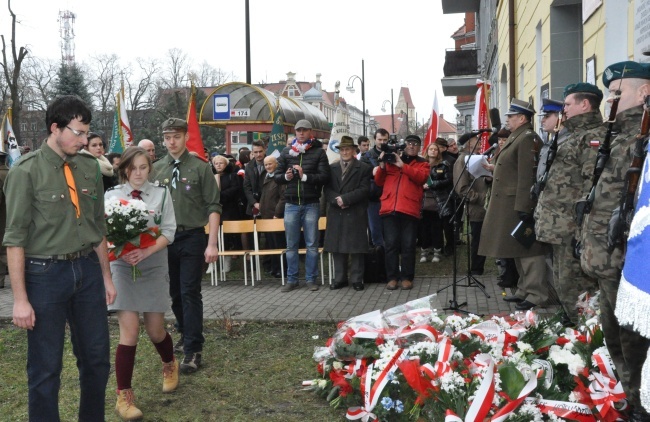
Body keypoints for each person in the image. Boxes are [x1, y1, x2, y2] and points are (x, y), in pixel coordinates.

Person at [3, 95, 116, 420]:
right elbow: (15, 240)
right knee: (45, 367)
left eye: (86, 134)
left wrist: (106, 277)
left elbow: (97, 227)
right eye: (78, 133)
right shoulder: (26, 171)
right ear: (55, 128)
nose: (84, 140)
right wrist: (20, 300)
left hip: (88, 272)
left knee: (96, 360)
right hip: (44, 276)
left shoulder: (88, 167)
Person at [579, 61, 650, 421]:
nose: (610, 99)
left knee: (634, 338)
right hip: (605, 257)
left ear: (645, 93)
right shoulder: (618, 134)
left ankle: (641, 403)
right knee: (614, 334)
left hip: (629, 261)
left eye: (618, 93)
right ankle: (629, 396)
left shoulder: (644, 138)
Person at [106, 147, 178, 420]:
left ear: (150, 169)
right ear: (124, 168)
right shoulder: (111, 196)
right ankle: (123, 396)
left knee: (155, 329)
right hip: (122, 266)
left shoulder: (161, 194)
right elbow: (106, 232)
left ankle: (170, 363)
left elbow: (169, 230)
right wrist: (123, 249)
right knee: (130, 331)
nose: (138, 173)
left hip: (153, 262)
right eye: (133, 168)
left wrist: (146, 251)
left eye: (143, 167)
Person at [152, 117, 221, 374]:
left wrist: (211, 243)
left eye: (177, 137)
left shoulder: (200, 168)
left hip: (192, 237)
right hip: (165, 240)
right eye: (168, 137)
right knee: (175, 293)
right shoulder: (157, 168)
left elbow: (214, 206)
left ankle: (194, 349)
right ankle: (184, 332)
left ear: (185, 137)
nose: (172, 142)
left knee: (190, 291)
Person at [534, 85, 603, 326]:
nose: (564, 109)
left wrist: (580, 231)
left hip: (572, 228)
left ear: (584, 105)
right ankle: (575, 329)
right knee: (564, 286)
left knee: (577, 289)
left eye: (568, 104)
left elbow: (591, 188)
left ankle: (588, 340)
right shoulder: (571, 135)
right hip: (558, 226)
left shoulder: (593, 136)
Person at [478, 99, 552, 311]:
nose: (507, 120)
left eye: (511, 117)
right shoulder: (517, 137)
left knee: (529, 249)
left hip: (517, 203)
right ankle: (523, 289)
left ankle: (536, 294)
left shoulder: (527, 138)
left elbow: (527, 176)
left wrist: (525, 206)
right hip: (508, 203)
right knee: (517, 248)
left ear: (522, 118)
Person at [275, 119, 330, 292]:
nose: (301, 133)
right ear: (295, 132)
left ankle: (311, 279)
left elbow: (325, 177)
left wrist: (304, 176)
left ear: (310, 132)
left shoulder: (319, 152)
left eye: (304, 130)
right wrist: (287, 177)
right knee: (291, 245)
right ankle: (292, 279)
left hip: (311, 203)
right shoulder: (286, 152)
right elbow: (276, 176)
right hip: (291, 203)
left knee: (312, 244)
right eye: (298, 130)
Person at [376, 134, 429, 290]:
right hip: (389, 208)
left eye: (415, 144)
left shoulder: (422, 163)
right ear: (404, 145)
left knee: (408, 245)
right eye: (409, 143)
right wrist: (382, 165)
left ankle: (406, 277)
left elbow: (421, 178)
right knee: (391, 245)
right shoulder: (392, 159)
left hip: (409, 209)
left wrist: (402, 165)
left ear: (419, 147)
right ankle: (392, 277)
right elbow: (379, 181)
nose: (411, 146)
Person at [324, 136, 371, 291]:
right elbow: (327, 189)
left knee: (356, 247)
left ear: (353, 150)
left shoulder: (363, 168)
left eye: (347, 149)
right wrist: (336, 200)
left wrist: (345, 199)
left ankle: (357, 279)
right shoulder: (332, 168)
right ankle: (340, 278)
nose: (344, 152)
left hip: (355, 210)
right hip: (336, 211)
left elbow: (364, 190)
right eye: (342, 149)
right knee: (337, 247)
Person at [454, 133, 488, 275]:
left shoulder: (477, 158)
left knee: (484, 238)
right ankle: (476, 269)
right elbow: (461, 188)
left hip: (486, 207)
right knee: (478, 239)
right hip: (476, 208)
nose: (481, 145)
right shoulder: (462, 160)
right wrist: (481, 198)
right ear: (469, 144)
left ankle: (479, 267)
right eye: (477, 142)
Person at [212, 154, 244, 273]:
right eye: (216, 163)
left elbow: (235, 189)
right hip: (214, 211)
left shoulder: (233, 176)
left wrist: (219, 196)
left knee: (226, 237)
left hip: (229, 210)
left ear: (226, 164)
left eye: (221, 163)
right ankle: (213, 263)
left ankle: (226, 261)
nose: (218, 165)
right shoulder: (210, 176)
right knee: (214, 236)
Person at [422, 142, 454, 260]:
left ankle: (437, 249)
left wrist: (432, 184)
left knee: (438, 226)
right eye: (431, 149)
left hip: (439, 200)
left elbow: (448, 180)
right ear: (427, 151)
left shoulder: (443, 165)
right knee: (425, 226)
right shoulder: (422, 164)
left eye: (435, 149)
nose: (433, 151)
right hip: (424, 199)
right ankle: (425, 249)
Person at [360, 128, 388, 249]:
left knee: (389, 229)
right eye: (379, 139)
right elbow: (361, 175)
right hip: (374, 196)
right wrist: (372, 171)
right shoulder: (367, 156)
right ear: (375, 139)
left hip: (390, 195)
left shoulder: (392, 153)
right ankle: (378, 256)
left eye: (385, 140)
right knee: (375, 228)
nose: (382, 142)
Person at [259, 155, 286, 277]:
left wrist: (277, 213)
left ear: (276, 164)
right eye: (266, 165)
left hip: (276, 216)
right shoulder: (266, 177)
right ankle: (275, 268)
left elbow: (283, 197)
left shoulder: (279, 177)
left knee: (279, 244)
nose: (268, 166)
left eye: (270, 164)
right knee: (271, 244)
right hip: (266, 216)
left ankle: (282, 269)